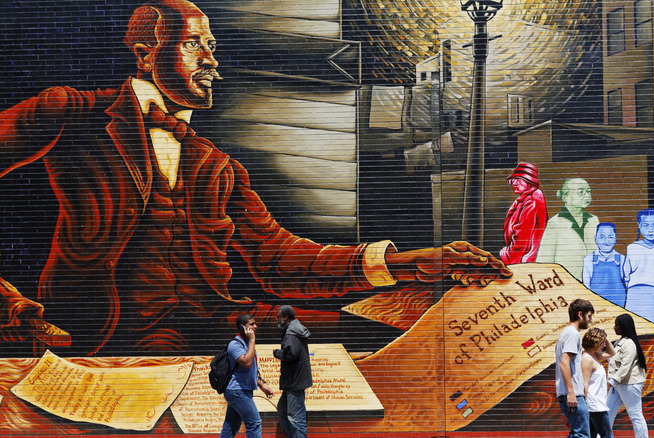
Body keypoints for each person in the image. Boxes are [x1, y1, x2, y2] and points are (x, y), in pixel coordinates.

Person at [0, 0, 512, 355]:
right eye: (194, 45)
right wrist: (10, 303)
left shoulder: (217, 165)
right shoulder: (71, 113)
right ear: (145, 52)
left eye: (213, 46)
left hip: (222, 323)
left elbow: (279, 259)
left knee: (385, 331)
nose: (211, 61)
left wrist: (405, 263)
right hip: (107, 336)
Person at [220, 313, 275, 438]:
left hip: (242, 390)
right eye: (252, 324)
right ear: (242, 327)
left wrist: (262, 386)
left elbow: (252, 370)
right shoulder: (235, 344)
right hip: (237, 391)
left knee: (230, 427)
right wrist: (252, 339)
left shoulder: (247, 344)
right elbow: (247, 363)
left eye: (255, 323)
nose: (255, 326)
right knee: (254, 423)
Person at [537, 178, 599, 281]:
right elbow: (544, 261)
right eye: (580, 192)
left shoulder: (594, 220)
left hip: (592, 283)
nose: (587, 195)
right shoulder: (555, 223)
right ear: (565, 197)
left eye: (588, 191)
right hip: (566, 284)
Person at [623, 208, 654, 331]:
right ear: (639, 225)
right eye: (646, 225)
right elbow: (626, 273)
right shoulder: (632, 247)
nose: (650, 229)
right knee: (637, 328)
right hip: (637, 293)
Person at [556, 298, 594, 438]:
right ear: (580, 314)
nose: (590, 320)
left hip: (570, 393)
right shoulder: (573, 334)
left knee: (577, 433)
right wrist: (571, 393)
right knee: (582, 434)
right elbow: (564, 363)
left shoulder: (565, 333)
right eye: (589, 316)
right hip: (573, 394)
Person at [273, 305, 312, 438]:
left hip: (294, 381)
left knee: (296, 417)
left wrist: (277, 353)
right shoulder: (293, 330)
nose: (276, 319)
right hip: (293, 380)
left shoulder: (291, 334)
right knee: (283, 410)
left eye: (278, 316)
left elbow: (290, 354)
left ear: (285, 317)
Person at [606, 314, 648, 438]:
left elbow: (625, 367)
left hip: (629, 385)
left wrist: (610, 382)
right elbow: (613, 360)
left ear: (624, 326)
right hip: (619, 385)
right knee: (607, 414)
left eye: (617, 325)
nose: (614, 327)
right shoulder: (620, 342)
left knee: (635, 416)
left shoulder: (629, 344)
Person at [499, 162, 548, 264]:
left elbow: (522, 237)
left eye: (519, 179)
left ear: (530, 180)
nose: (514, 183)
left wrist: (507, 254)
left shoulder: (532, 201)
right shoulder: (527, 199)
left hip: (524, 261)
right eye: (513, 179)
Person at [582, 327, 616, 438]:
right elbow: (584, 384)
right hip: (594, 406)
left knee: (591, 435)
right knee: (607, 435)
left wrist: (605, 337)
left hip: (597, 404)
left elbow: (612, 352)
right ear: (595, 343)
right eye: (601, 342)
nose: (603, 345)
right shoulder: (587, 359)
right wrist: (583, 407)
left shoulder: (595, 356)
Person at [582, 222, 626, 307]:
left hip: (619, 305)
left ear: (615, 239)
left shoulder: (622, 259)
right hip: (596, 306)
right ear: (595, 239)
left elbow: (627, 283)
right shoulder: (588, 259)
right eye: (602, 237)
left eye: (610, 237)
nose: (606, 241)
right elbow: (586, 286)